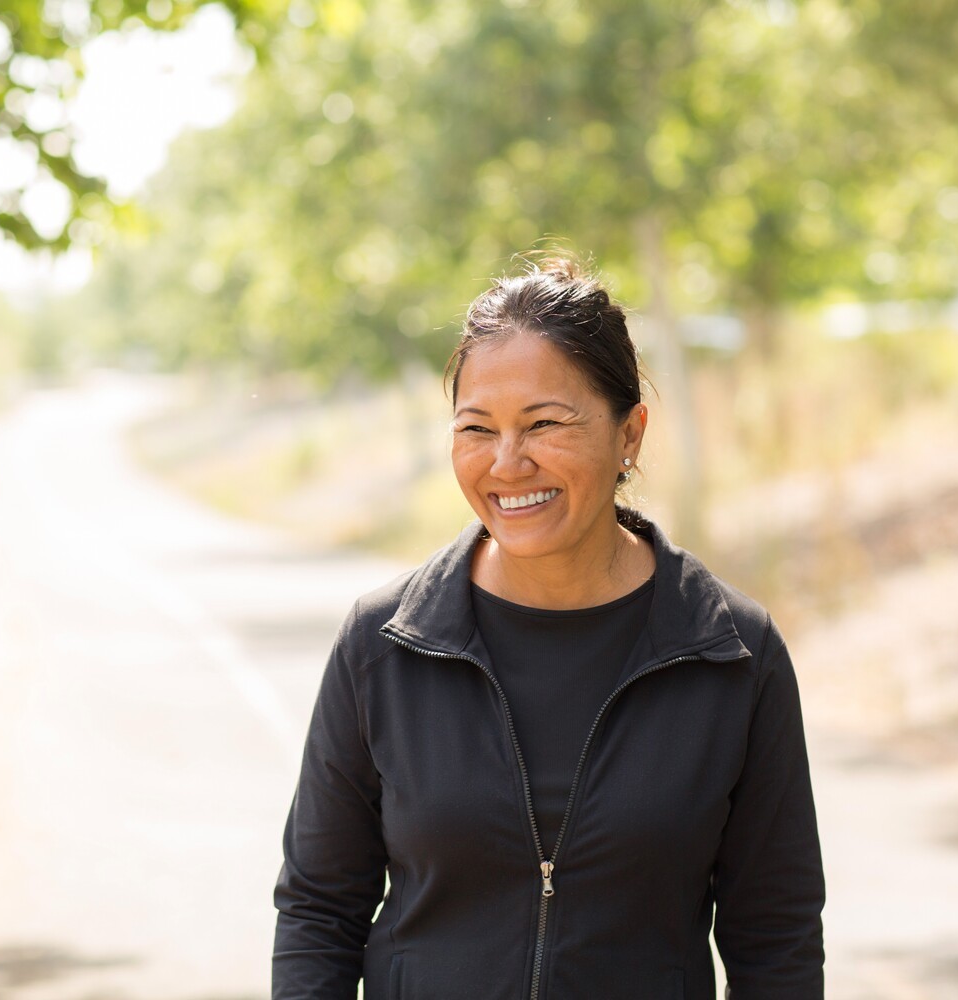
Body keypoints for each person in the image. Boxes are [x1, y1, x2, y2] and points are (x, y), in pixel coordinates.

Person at [272, 255, 825, 1000]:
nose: (507, 463)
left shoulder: (732, 653)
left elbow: (777, 940)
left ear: (629, 432)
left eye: (544, 424)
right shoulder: (382, 644)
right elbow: (318, 912)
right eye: (477, 428)